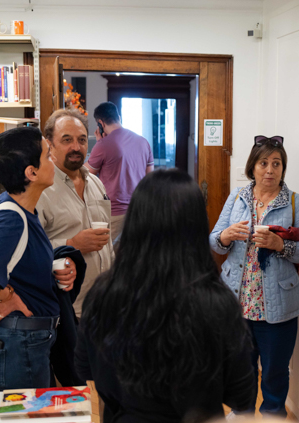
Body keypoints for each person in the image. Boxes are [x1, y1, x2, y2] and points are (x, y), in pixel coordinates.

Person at [76, 169, 255, 422]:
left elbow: (85, 367)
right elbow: (242, 395)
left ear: (134, 224)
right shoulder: (217, 303)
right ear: (197, 227)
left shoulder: (103, 294)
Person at [0, 127, 77, 390]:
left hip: (27, 342)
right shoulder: (11, 220)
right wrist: (7, 295)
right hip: (19, 346)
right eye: (47, 155)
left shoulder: (19, 209)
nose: (54, 160)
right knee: (30, 412)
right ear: (31, 173)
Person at [210, 135, 299, 417]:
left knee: (275, 373)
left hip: (278, 306)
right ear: (252, 167)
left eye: (276, 163)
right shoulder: (237, 197)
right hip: (237, 303)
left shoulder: (295, 202)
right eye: (263, 163)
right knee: (240, 371)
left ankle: (273, 417)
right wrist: (225, 236)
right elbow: (214, 240)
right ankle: (241, 415)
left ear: (283, 168)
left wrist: (281, 245)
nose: (270, 170)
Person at [38, 109, 114, 317]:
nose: (76, 147)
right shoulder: (40, 190)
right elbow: (28, 250)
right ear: (49, 144)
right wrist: (72, 244)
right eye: (67, 140)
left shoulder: (96, 183)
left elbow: (107, 245)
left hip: (104, 305)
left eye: (81, 140)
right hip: (67, 311)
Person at [87, 101, 154, 242]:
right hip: (139, 211)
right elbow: (150, 180)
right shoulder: (143, 142)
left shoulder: (103, 145)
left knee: (110, 254)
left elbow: (85, 174)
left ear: (100, 123)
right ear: (119, 117)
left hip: (114, 212)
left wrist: (99, 144)